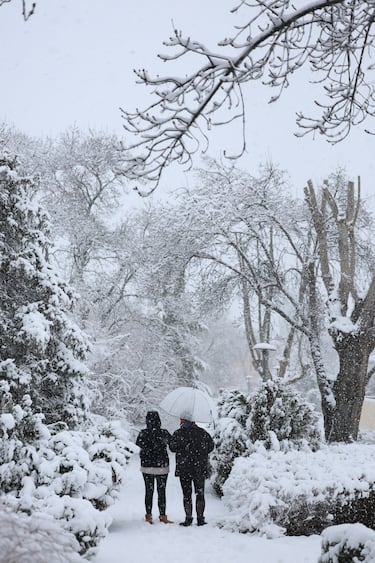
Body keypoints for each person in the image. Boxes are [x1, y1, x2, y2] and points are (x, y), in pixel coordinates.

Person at [169, 412, 214, 527]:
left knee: (186, 494)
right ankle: (200, 518)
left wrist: (183, 448)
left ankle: (188, 518)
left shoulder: (178, 433)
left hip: (184, 468)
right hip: (199, 468)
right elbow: (210, 447)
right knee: (200, 494)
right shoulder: (203, 433)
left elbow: (172, 448)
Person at [136, 410, 173, 524]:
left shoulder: (143, 433)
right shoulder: (164, 433)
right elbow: (172, 445)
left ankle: (148, 515)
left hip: (147, 466)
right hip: (162, 466)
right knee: (162, 491)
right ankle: (163, 516)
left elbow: (138, 444)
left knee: (149, 491)